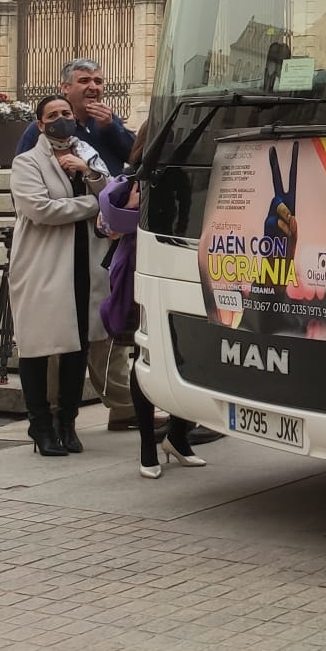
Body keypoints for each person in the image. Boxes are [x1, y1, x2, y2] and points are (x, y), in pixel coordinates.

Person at [98, 128, 208, 478]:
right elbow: (108, 224)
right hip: (141, 270)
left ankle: (177, 435)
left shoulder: (190, 173)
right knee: (144, 355)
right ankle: (148, 446)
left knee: (190, 352)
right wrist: (130, 208)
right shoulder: (137, 177)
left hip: (187, 267)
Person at [9, 97, 107, 458]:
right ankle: (40, 424)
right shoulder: (27, 162)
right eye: (53, 116)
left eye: (66, 114)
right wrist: (90, 206)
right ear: (40, 124)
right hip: (43, 266)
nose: (62, 120)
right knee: (37, 346)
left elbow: (112, 195)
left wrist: (89, 173)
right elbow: (39, 209)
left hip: (83, 264)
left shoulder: (85, 153)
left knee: (77, 345)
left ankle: (68, 421)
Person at [15, 58, 134, 174]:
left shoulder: (109, 121)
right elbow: (22, 172)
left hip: (112, 192)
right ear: (65, 87)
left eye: (98, 82)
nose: (93, 87)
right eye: (84, 81)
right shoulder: (43, 127)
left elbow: (136, 157)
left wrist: (111, 128)